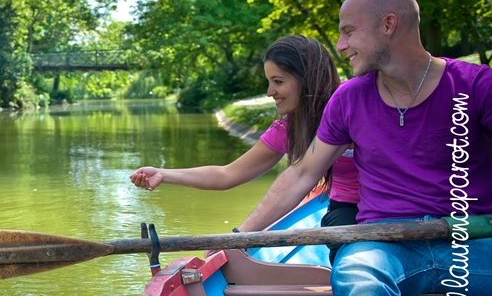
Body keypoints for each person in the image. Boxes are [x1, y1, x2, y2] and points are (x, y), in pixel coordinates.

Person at [237, 0, 492, 296]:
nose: (340, 45)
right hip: (385, 243)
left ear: (388, 25)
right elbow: (304, 174)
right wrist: (240, 239)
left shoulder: (478, 86)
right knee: (356, 273)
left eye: (348, 32)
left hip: (474, 239)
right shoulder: (349, 98)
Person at [130, 35, 360, 233]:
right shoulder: (290, 128)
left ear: (308, 80)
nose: (270, 92)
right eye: (269, 82)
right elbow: (226, 174)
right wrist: (163, 174)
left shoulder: (356, 106)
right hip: (346, 208)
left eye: (278, 82)